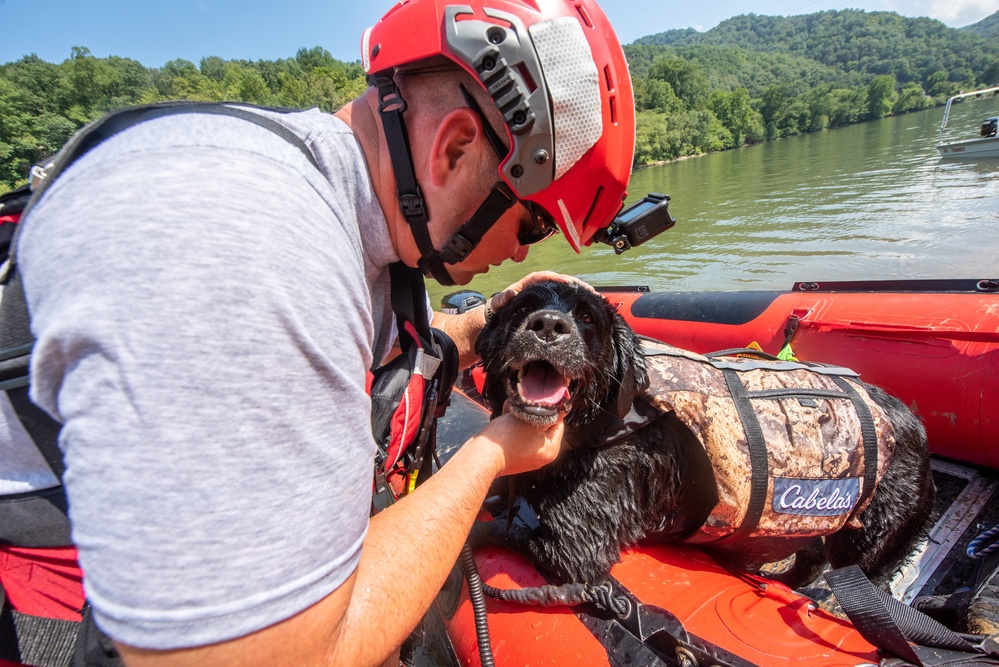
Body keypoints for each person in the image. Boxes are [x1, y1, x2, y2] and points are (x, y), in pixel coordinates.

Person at [9, 0, 635, 664]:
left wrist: (480, 323)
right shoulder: (240, 239)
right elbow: (271, 657)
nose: (519, 254)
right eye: (532, 223)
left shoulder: (346, 208)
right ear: (453, 149)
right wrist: (492, 452)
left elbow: (343, 357)